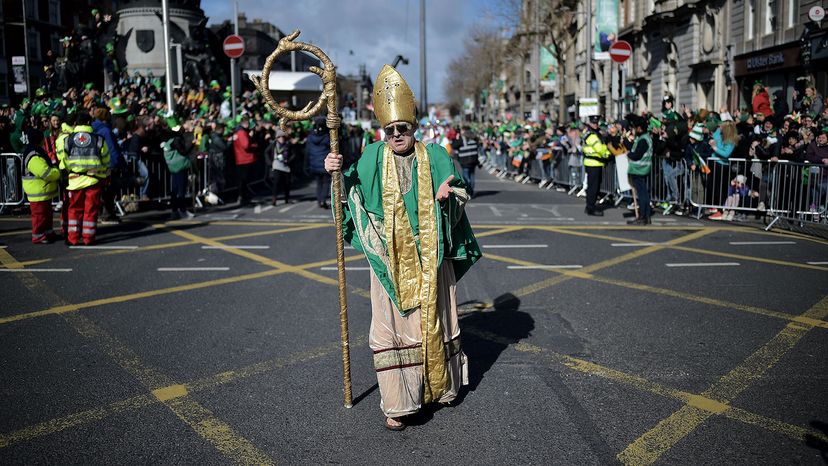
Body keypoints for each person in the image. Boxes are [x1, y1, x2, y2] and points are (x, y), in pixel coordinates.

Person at [323, 65, 481, 431]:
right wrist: (334, 170)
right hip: (390, 263)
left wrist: (448, 193)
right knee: (388, 331)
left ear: (413, 128)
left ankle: (436, 388)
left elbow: (456, 187)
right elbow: (350, 193)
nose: (396, 135)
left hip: (430, 261)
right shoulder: (371, 156)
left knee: (433, 324)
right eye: (390, 130)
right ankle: (398, 403)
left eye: (402, 129)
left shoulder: (436, 154)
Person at [57, 111, 110, 245]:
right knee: (90, 211)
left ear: (76, 123)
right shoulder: (98, 139)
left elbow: (63, 161)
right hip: (93, 180)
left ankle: (73, 239)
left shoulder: (67, 140)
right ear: (88, 123)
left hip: (75, 181)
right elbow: (106, 160)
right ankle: (88, 238)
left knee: (74, 211)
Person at [22, 128, 61, 243]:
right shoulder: (34, 154)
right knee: (39, 215)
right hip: (37, 191)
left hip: (42, 190)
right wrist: (57, 173)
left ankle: (47, 232)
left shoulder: (36, 151)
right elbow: (45, 172)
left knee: (46, 213)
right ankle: (38, 235)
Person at [626, 114, 653, 225]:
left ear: (640, 128)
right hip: (642, 169)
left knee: (642, 195)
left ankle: (643, 217)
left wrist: (629, 154)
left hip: (639, 169)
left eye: (635, 127)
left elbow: (637, 155)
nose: (634, 130)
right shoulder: (644, 138)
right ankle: (645, 216)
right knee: (643, 194)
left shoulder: (643, 140)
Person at [582, 115, 610, 215]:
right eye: (594, 123)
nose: (596, 124)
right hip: (593, 163)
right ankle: (591, 207)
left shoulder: (592, 133)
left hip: (594, 163)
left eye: (597, 123)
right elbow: (600, 148)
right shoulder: (592, 136)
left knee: (594, 186)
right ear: (590, 123)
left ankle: (590, 206)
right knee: (593, 187)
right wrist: (608, 154)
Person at [306, 116, 332, 209]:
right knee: (326, 182)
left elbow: (307, 151)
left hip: (314, 163)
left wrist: (306, 164)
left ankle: (319, 200)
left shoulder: (310, 137)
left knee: (319, 183)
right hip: (325, 162)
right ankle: (323, 200)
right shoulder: (327, 137)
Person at [232, 115, 257, 206]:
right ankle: (243, 197)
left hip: (241, 158)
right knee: (244, 180)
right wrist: (254, 145)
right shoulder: (242, 132)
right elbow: (246, 145)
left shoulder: (238, 132)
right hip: (245, 159)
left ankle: (243, 197)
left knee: (243, 180)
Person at [265, 128, 295, 205]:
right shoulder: (273, 144)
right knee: (276, 183)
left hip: (286, 167)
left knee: (287, 184)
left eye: (282, 137)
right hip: (276, 166)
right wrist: (270, 163)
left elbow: (294, 154)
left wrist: (289, 160)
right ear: (276, 138)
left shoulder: (288, 144)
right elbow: (266, 152)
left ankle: (286, 198)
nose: (281, 138)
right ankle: (274, 199)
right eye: (279, 137)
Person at [451, 126, 480, 197]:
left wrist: (457, 138)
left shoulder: (462, 139)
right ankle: (471, 191)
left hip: (465, 160)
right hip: (473, 160)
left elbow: (453, 146)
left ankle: (469, 191)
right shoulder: (475, 139)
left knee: (466, 177)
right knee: (472, 175)